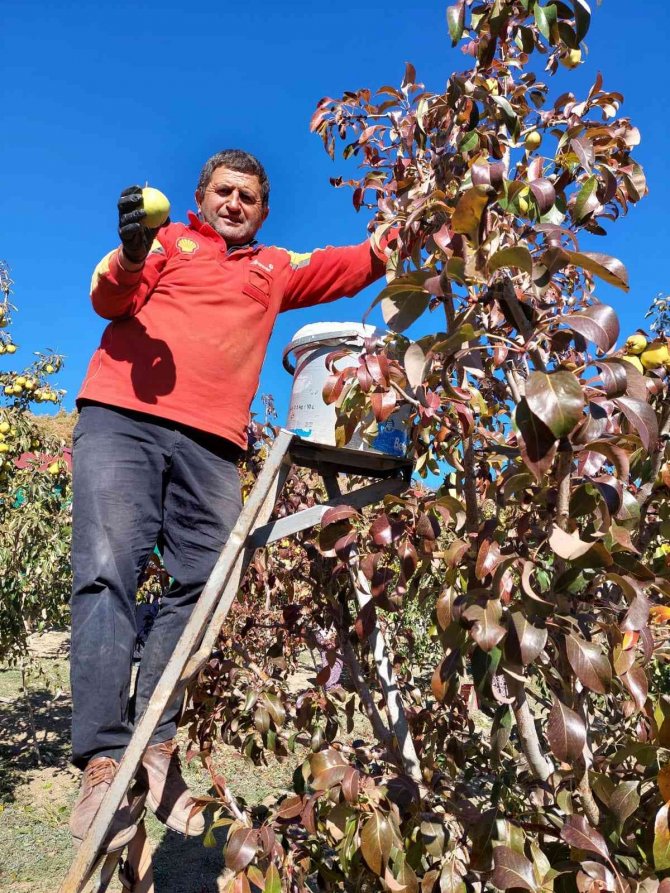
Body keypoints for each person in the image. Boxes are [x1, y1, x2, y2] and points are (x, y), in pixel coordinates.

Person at [69, 149, 389, 851]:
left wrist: (413, 230)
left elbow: (352, 264)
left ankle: (155, 746)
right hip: (122, 417)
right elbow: (109, 298)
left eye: (248, 196)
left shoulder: (274, 266)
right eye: (224, 191)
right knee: (105, 572)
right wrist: (132, 251)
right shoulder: (166, 242)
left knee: (207, 587)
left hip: (214, 442)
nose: (235, 203)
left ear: (264, 211)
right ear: (201, 196)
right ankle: (102, 759)